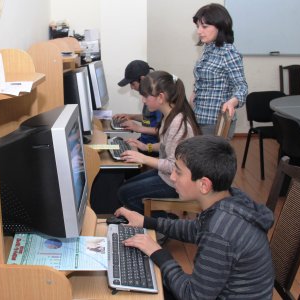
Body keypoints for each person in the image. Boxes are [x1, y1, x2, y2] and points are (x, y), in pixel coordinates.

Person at [115, 135, 275, 299]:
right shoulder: (229, 200)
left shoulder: (219, 232)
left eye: (178, 172)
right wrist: (146, 221)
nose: (172, 177)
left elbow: (192, 296)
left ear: (204, 185)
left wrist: (158, 252)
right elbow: (195, 229)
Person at [117, 71, 201, 215]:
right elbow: (165, 146)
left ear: (161, 97)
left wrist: (143, 158)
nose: (143, 100)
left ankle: (164, 224)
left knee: (125, 194)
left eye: (145, 96)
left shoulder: (177, 123)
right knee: (124, 188)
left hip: (177, 181)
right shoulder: (169, 114)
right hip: (168, 175)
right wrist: (145, 147)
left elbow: (173, 165)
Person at [191, 3, 248, 138]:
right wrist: (194, 94)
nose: (199, 31)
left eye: (204, 26)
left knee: (210, 158)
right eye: (198, 26)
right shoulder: (208, 48)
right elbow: (203, 79)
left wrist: (232, 102)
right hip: (199, 117)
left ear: (220, 26)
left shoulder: (229, 53)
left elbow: (242, 88)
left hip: (216, 122)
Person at [114, 60, 163, 152]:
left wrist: (138, 128)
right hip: (143, 143)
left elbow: (162, 130)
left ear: (142, 79)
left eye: (133, 84)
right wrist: (130, 116)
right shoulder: (149, 95)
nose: (132, 88)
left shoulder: (156, 99)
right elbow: (148, 119)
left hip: (152, 148)